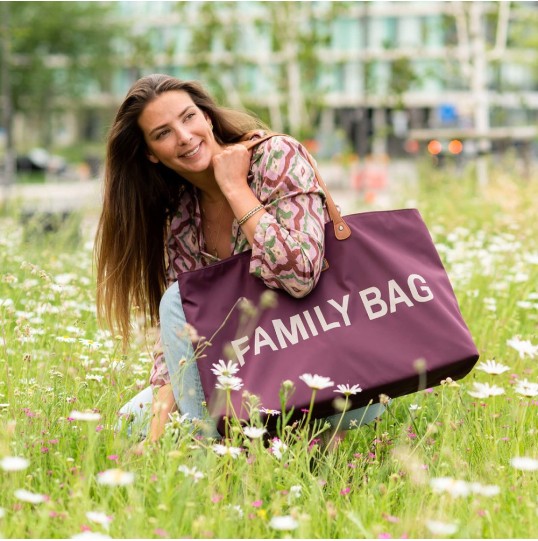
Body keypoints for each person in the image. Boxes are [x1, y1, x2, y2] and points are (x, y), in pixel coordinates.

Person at [94, 74, 384, 443]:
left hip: (329, 365)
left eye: (188, 117)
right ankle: (257, 443)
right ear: (151, 153)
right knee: (131, 423)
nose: (184, 136)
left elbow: (300, 274)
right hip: (250, 372)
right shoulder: (183, 215)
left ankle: (221, 456)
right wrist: (156, 425)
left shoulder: (276, 156)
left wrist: (235, 188)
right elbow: (181, 330)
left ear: (208, 118)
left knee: (179, 309)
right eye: (163, 133)